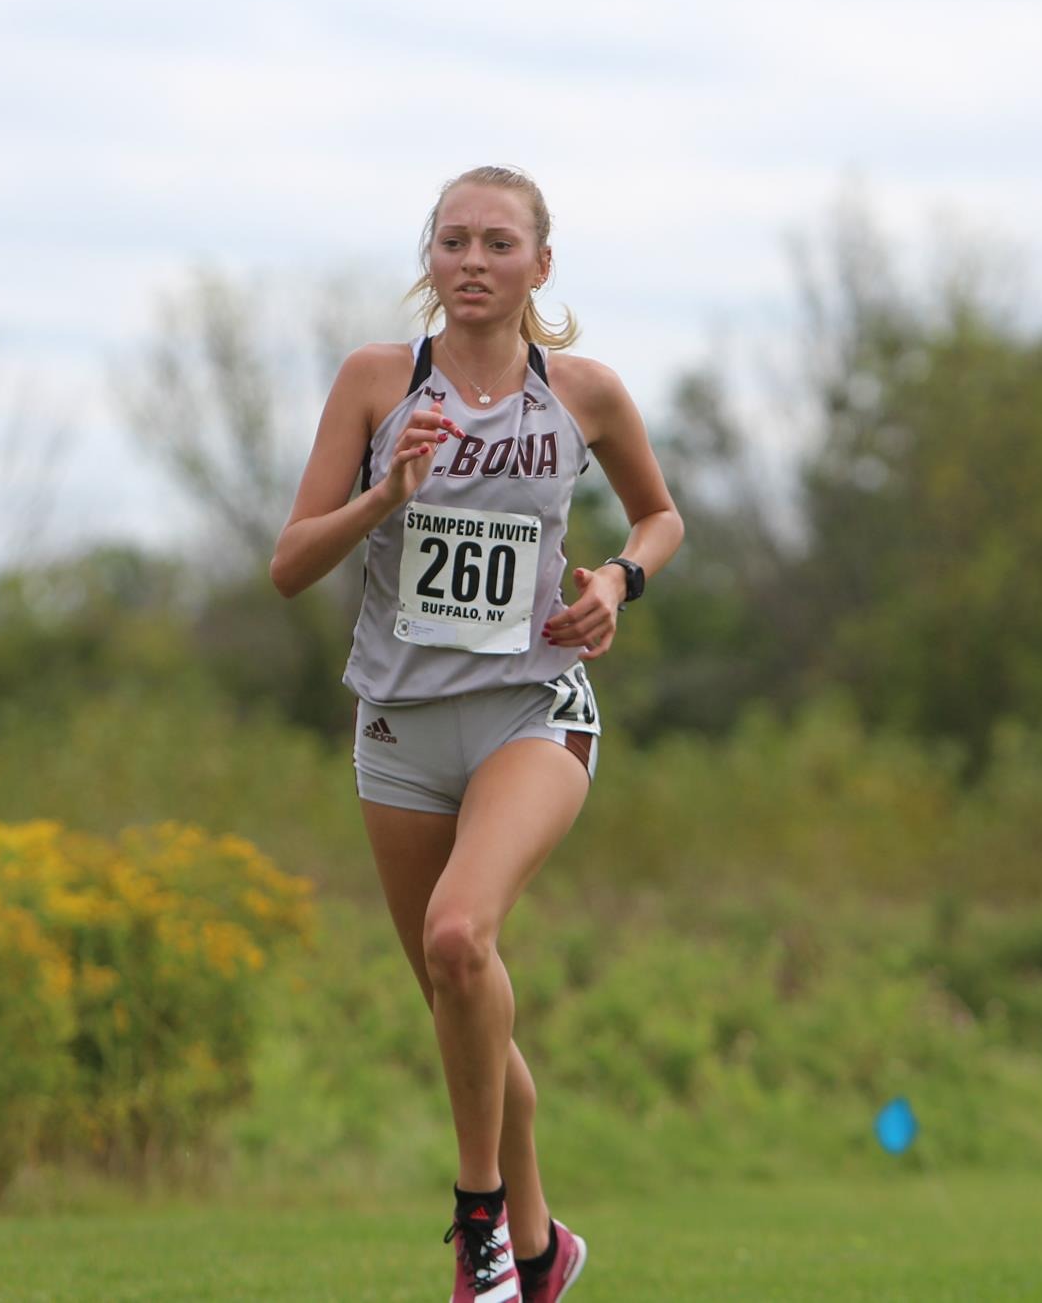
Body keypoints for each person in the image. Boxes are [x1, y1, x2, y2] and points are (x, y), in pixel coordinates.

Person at [271, 165, 682, 1302]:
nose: (470, 261)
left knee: (461, 938)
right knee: (464, 1004)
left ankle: (479, 1229)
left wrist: (614, 580)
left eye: (497, 243)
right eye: (450, 241)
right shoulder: (375, 382)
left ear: (538, 266)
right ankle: (546, 1251)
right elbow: (287, 563)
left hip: (531, 713)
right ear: (428, 260)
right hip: (400, 727)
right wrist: (380, 497)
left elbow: (660, 515)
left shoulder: (583, 395)